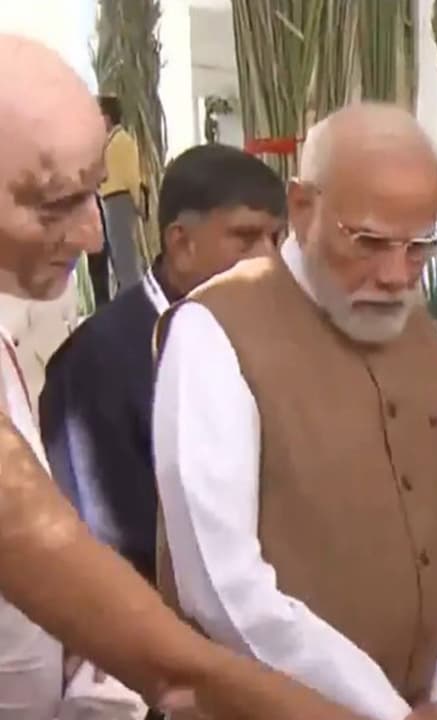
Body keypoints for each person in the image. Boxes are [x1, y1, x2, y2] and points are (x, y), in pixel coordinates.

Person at [0, 32, 372, 720]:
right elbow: (134, 624)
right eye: (55, 203)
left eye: (92, 198)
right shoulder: (101, 358)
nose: (90, 236)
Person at [152, 102, 437, 720]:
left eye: (419, 247)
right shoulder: (214, 329)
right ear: (301, 207)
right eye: (368, 242)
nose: (397, 275)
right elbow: (222, 589)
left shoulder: (421, 333)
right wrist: (383, 711)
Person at [41, 143, 286, 583]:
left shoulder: (280, 334)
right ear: (182, 243)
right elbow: (108, 549)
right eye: (246, 238)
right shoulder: (97, 364)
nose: (268, 259)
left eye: (276, 239)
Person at [97, 95, 145, 294]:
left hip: (120, 200)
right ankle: (128, 295)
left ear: (107, 118)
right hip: (110, 201)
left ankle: (134, 298)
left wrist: (138, 202)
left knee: (124, 254)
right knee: (119, 254)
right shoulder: (110, 141)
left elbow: (132, 175)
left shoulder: (122, 141)